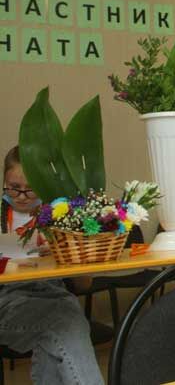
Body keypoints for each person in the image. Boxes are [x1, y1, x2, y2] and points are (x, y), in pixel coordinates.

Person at [0, 146, 104, 385]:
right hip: (6, 300)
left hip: (55, 295)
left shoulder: (59, 217)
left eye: (30, 189)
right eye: (13, 188)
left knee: (59, 328)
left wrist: (64, 252)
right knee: (65, 322)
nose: (21, 196)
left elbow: (83, 283)